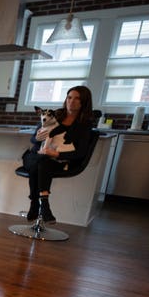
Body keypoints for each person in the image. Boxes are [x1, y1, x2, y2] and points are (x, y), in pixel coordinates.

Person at [22, 85, 95, 224]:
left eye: (77, 99)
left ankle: (36, 203)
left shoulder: (84, 124)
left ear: (84, 102)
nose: (71, 101)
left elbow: (80, 153)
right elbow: (33, 139)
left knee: (43, 163)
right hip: (37, 156)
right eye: (69, 97)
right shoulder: (54, 114)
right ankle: (44, 206)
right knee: (41, 161)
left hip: (59, 161)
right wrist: (37, 138)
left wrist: (56, 154)